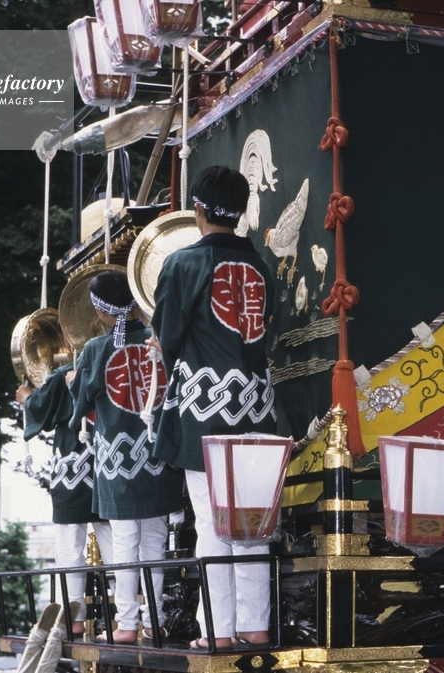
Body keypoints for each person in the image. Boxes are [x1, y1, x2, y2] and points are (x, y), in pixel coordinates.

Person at [149, 165, 277, 649]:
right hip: (256, 405)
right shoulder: (262, 266)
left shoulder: (182, 264)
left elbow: (169, 338)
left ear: (198, 209)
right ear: (240, 212)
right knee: (251, 520)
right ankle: (254, 624)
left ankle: (218, 631)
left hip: (205, 409)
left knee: (211, 521)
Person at [69, 270, 184, 644]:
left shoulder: (96, 349)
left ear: (102, 311)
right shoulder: (160, 340)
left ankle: (127, 624)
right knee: (154, 543)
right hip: (157, 457)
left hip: (117, 462)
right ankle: (155, 621)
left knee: (124, 544)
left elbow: (80, 405)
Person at [17, 365, 113, 638]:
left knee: (69, 546)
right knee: (117, 544)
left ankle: (74, 618)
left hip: (72, 466)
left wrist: (26, 397)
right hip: (110, 460)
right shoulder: (112, 359)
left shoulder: (64, 373)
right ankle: (128, 618)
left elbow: (40, 408)